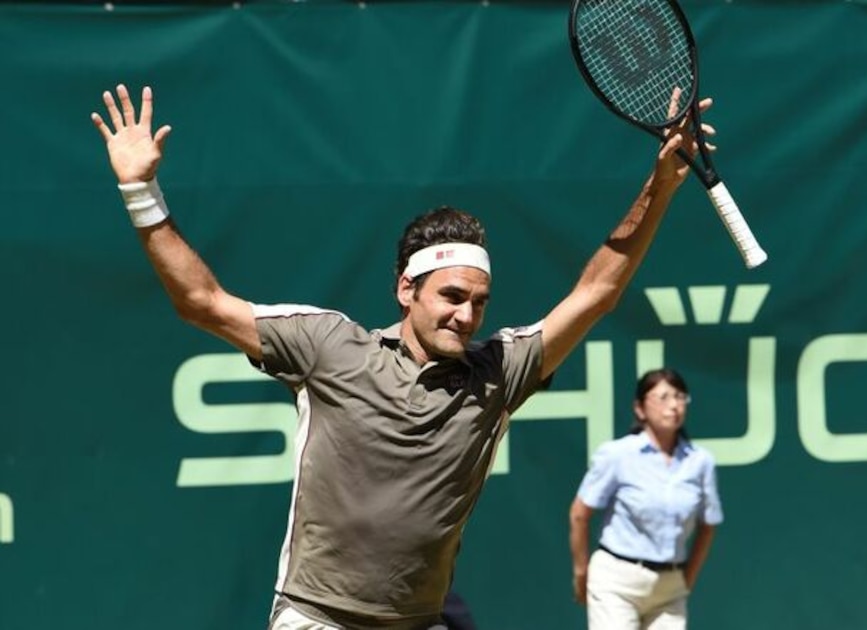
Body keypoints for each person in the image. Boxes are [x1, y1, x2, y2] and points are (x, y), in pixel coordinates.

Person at [90, 83, 716, 630]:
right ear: (405, 290)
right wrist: (140, 188)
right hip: (315, 619)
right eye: (451, 297)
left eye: (479, 302)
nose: (466, 315)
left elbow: (598, 292)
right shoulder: (327, 346)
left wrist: (660, 184)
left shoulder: (498, 372)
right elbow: (201, 301)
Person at [568, 368, 723, 629]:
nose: (673, 405)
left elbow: (708, 526)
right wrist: (581, 571)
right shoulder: (617, 455)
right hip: (616, 582)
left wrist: (686, 580)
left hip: (670, 589)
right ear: (640, 409)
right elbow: (579, 514)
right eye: (663, 397)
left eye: (679, 397)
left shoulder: (700, 462)